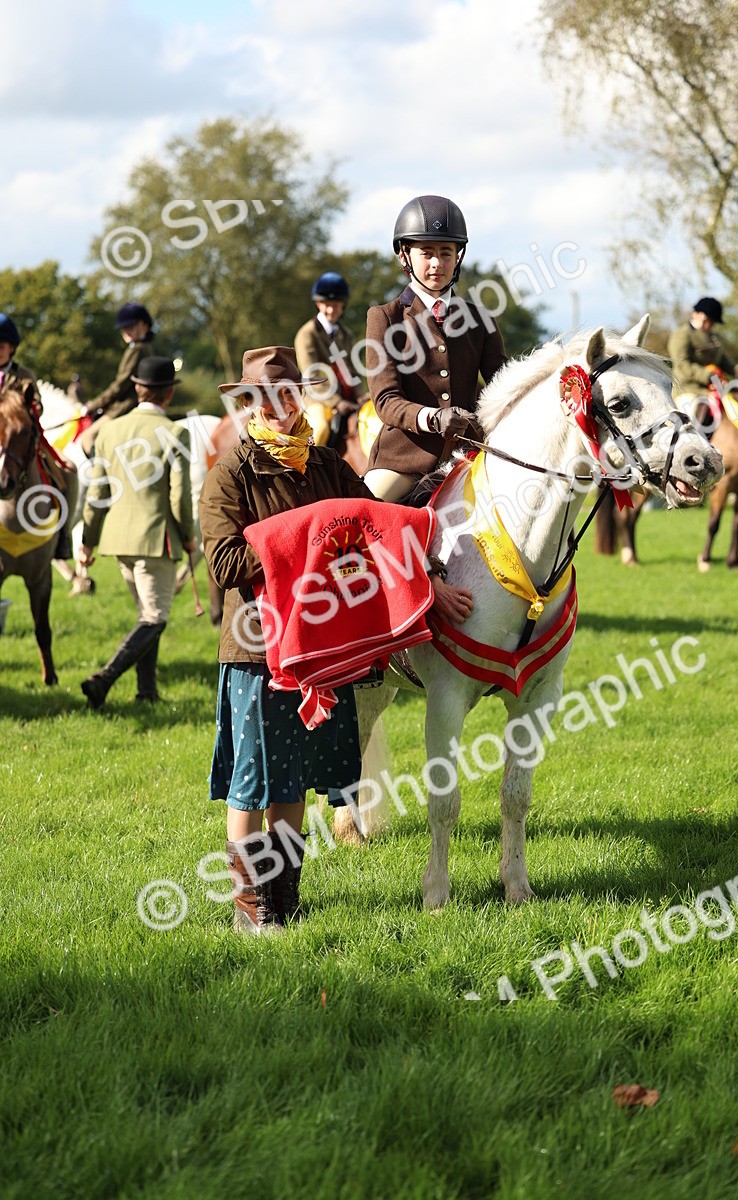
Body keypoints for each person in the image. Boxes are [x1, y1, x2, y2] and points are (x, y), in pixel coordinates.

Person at [199, 346, 474, 936]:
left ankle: (285, 897)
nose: (278, 406)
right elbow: (224, 563)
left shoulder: (326, 465)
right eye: (264, 398)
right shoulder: (230, 473)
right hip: (257, 647)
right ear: (248, 404)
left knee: (295, 778)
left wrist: (430, 579)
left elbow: (379, 526)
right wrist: (305, 536)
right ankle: (251, 909)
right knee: (254, 781)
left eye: (288, 393)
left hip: (322, 647)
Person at [362, 194, 507, 502]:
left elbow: (502, 387)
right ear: (405, 256)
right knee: (362, 517)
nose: (437, 264)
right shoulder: (384, 318)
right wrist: (433, 418)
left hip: (470, 457)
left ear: (459, 257)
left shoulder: (480, 319)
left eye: (446, 253)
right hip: (404, 463)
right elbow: (386, 400)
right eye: (426, 253)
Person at [77, 356, 196, 707]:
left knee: (146, 616)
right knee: (155, 618)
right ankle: (104, 679)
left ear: (138, 389)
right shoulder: (176, 432)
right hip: (155, 539)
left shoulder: (108, 431)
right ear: (168, 395)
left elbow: (96, 494)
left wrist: (87, 540)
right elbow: (179, 497)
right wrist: (189, 536)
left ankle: (147, 692)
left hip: (118, 540)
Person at [0, 311, 76, 560]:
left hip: (20, 443)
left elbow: (38, 407)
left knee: (67, 470)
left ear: (11, 348)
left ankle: (62, 537)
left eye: (0, 346)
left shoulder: (24, 376)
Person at [293, 271, 366, 450]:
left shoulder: (346, 334)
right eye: (327, 305)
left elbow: (351, 370)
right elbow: (312, 375)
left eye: (336, 305)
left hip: (345, 397)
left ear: (343, 305)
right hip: (316, 397)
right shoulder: (307, 334)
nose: (331, 310)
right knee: (320, 429)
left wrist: (360, 394)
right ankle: (304, 473)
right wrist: (336, 402)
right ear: (318, 303)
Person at [80, 302, 158, 454]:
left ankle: (101, 476)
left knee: (88, 436)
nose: (126, 331)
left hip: (126, 405)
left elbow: (120, 385)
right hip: (132, 402)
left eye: (130, 326)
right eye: (124, 328)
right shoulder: (144, 347)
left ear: (143, 325)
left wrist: (94, 405)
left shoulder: (137, 349)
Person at [667, 297, 737, 429]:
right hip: (688, 389)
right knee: (691, 417)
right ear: (696, 314)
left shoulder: (714, 337)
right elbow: (682, 365)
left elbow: (723, 360)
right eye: (708, 320)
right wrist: (708, 375)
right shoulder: (682, 335)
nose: (710, 325)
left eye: (711, 322)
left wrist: (737, 370)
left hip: (715, 387)